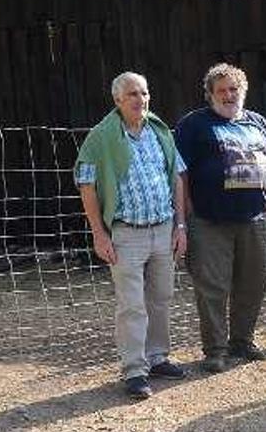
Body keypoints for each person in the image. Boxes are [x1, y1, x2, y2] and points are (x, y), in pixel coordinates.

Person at [75, 71, 188, 399]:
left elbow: (178, 177)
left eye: (144, 93)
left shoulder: (159, 131)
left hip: (163, 229)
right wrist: (99, 233)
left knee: (161, 298)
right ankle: (134, 370)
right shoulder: (101, 137)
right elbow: (86, 184)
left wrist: (180, 225)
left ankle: (157, 357)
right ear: (118, 101)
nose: (141, 100)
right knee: (131, 305)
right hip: (126, 233)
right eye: (133, 95)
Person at [175, 63, 266, 373]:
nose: (228, 95)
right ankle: (215, 350)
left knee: (253, 284)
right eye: (221, 90)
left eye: (234, 89)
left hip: (256, 220)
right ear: (210, 94)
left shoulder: (259, 123)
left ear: (243, 91)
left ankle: (243, 341)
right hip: (209, 222)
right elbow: (179, 172)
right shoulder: (193, 125)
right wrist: (185, 215)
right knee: (213, 288)